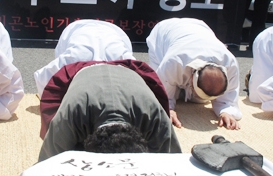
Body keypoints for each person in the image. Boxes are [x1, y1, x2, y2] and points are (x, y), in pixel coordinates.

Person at [38, 60, 182, 161]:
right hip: (85, 74)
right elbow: (48, 166)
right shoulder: (69, 117)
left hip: (127, 74)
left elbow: (172, 164)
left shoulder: (154, 116)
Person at [147, 18, 241, 130]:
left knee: (199, 100)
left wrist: (226, 111)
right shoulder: (173, 62)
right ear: (192, 78)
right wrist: (167, 108)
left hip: (200, 27)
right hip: (163, 33)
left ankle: (183, 89)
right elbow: (159, 92)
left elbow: (229, 98)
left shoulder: (230, 63)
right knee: (163, 89)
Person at [33, 20, 135, 96]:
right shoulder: (78, 56)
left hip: (89, 41)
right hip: (104, 40)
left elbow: (43, 80)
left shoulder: (77, 57)